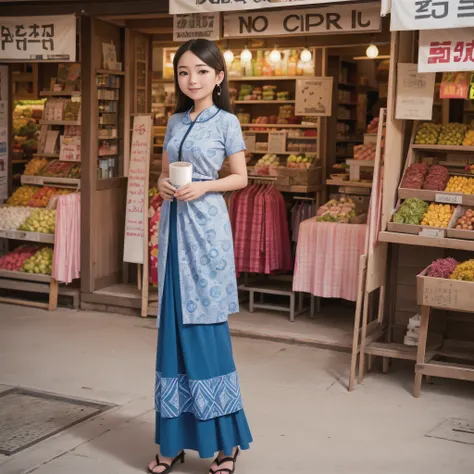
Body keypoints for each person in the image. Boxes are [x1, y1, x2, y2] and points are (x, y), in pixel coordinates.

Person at [147, 39, 253, 474]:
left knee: (206, 335)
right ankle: (172, 443)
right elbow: (162, 171)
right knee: (172, 337)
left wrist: (205, 185)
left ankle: (225, 444)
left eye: (202, 71)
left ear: (219, 77)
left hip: (206, 236)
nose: (192, 79)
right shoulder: (173, 121)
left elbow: (241, 178)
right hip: (174, 235)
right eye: (184, 71)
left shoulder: (226, 121)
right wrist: (162, 185)